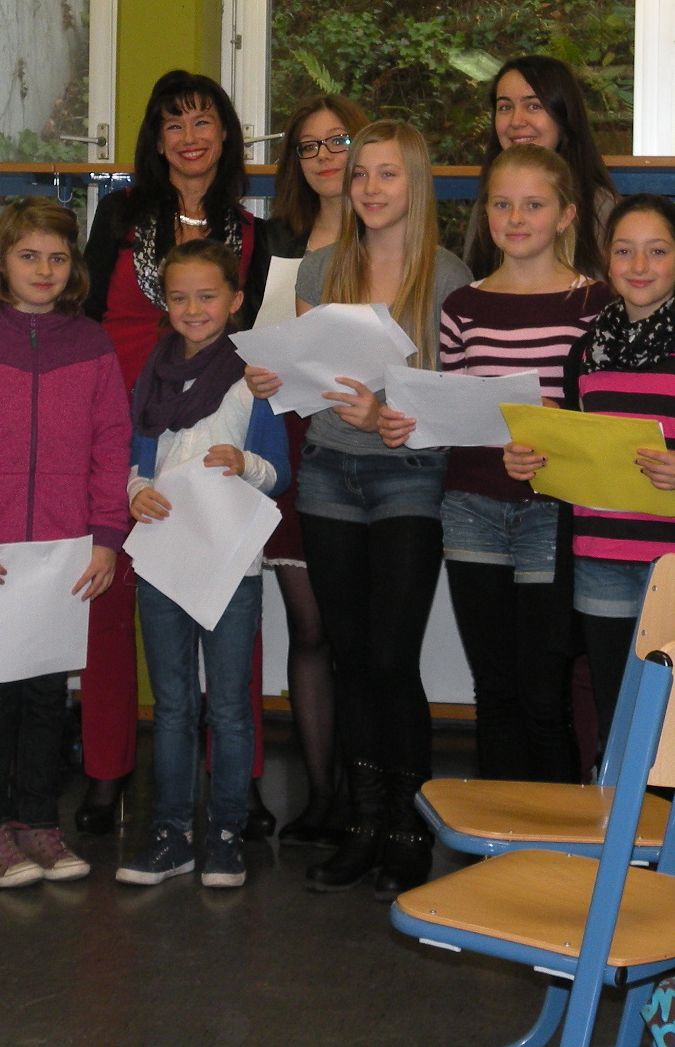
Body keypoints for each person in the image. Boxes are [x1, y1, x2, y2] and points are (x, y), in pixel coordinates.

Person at [244, 121, 472, 899]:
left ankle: (408, 830)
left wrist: (390, 414)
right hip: (329, 474)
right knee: (346, 656)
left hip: (410, 475)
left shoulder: (448, 275)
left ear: (416, 183)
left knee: (390, 659)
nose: (370, 188)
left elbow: (456, 400)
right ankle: (364, 825)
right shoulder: (319, 266)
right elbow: (309, 379)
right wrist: (276, 378)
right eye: (361, 174)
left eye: (388, 174)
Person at [76, 70, 271, 838]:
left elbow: (246, 343)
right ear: (156, 141)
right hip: (122, 438)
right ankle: (106, 769)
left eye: (203, 121)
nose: (190, 138)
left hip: (214, 448)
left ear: (225, 135)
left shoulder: (252, 233)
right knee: (110, 603)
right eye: (173, 124)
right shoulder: (121, 216)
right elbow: (85, 319)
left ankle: (237, 778)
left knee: (227, 608)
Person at [380, 145, 610, 784]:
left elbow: (604, 416)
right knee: (494, 689)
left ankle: (554, 833)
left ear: (565, 215)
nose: (516, 218)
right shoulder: (464, 306)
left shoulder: (595, 304)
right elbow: (452, 410)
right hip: (471, 507)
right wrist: (411, 424)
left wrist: (559, 433)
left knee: (543, 692)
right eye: (503, 204)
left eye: (533, 205)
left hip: (553, 511)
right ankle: (499, 833)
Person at [0, 198, 132, 889]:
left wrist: (106, 538)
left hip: (68, 552)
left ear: (74, 268)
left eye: (58, 258)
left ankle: (39, 821)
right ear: (1, 262)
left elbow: (112, 445)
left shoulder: (91, 345)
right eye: (29, 256)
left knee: (47, 696)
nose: (44, 270)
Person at [512, 194, 675, 748]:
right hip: (599, 556)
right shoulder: (586, 352)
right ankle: (615, 802)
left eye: (657, 251)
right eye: (624, 251)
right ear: (606, 261)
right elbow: (572, 452)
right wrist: (533, 460)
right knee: (615, 705)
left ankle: (672, 808)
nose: (639, 266)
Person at [114, 239, 291, 892]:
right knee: (172, 706)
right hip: (163, 558)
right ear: (165, 303)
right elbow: (138, 458)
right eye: (180, 297)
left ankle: (226, 835)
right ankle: (171, 836)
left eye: (208, 296)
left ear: (235, 300)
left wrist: (245, 464)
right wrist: (136, 491)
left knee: (231, 709)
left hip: (230, 565)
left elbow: (280, 473)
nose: (193, 309)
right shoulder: (153, 372)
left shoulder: (252, 376)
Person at [260, 93, 371, 846]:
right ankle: (322, 794)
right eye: (309, 146)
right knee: (309, 626)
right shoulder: (275, 242)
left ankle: (368, 800)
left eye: (339, 141)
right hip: (290, 444)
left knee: (362, 635)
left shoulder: (388, 236)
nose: (326, 157)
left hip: (368, 447)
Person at [463, 56, 617, 282]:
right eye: (505, 107)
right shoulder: (486, 205)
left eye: (533, 106)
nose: (516, 121)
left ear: (564, 115)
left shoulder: (601, 207)